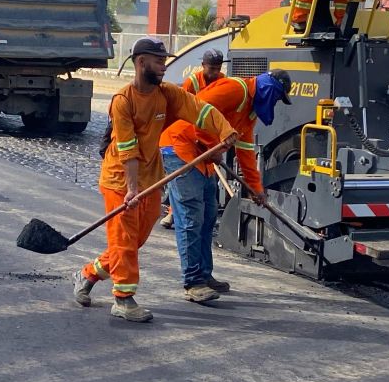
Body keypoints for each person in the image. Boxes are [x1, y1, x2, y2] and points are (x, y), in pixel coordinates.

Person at [74, 37, 237, 323]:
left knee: (134, 242)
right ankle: (123, 299)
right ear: (141, 63)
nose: (164, 66)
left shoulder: (166, 94)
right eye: (159, 61)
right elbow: (128, 149)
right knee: (124, 241)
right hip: (120, 180)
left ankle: (88, 273)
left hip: (151, 179)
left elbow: (200, 109)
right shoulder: (123, 101)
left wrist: (224, 130)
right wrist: (132, 189)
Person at [159, 70, 290, 302]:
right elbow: (199, 110)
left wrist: (255, 188)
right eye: (278, 98)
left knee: (208, 215)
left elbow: (246, 151)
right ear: (270, 90)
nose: (276, 104)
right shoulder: (236, 90)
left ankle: (204, 274)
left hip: (204, 155)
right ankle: (193, 282)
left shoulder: (249, 112)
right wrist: (214, 144)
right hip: (180, 147)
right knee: (191, 216)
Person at [162, 49, 226, 231]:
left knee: (204, 178)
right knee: (181, 177)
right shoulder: (193, 82)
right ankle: (172, 211)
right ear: (203, 65)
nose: (214, 72)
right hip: (186, 135)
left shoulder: (222, 81)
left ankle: (200, 214)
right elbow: (181, 109)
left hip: (207, 134)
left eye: (218, 68)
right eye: (211, 68)